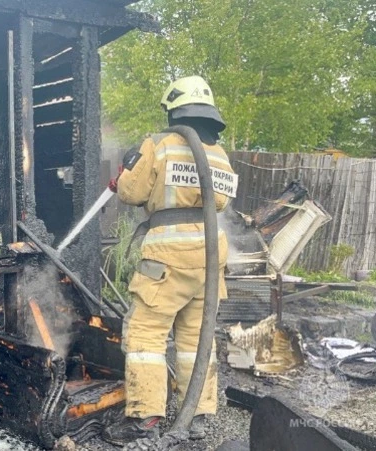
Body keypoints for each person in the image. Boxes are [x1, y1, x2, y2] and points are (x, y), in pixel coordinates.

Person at [102, 76, 237, 445]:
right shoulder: (220, 155)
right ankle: (198, 414)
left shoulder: (159, 144)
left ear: (175, 109)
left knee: (146, 333)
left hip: (168, 256)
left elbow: (131, 192)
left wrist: (128, 170)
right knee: (197, 337)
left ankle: (145, 416)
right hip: (209, 255)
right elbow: (219, 203)